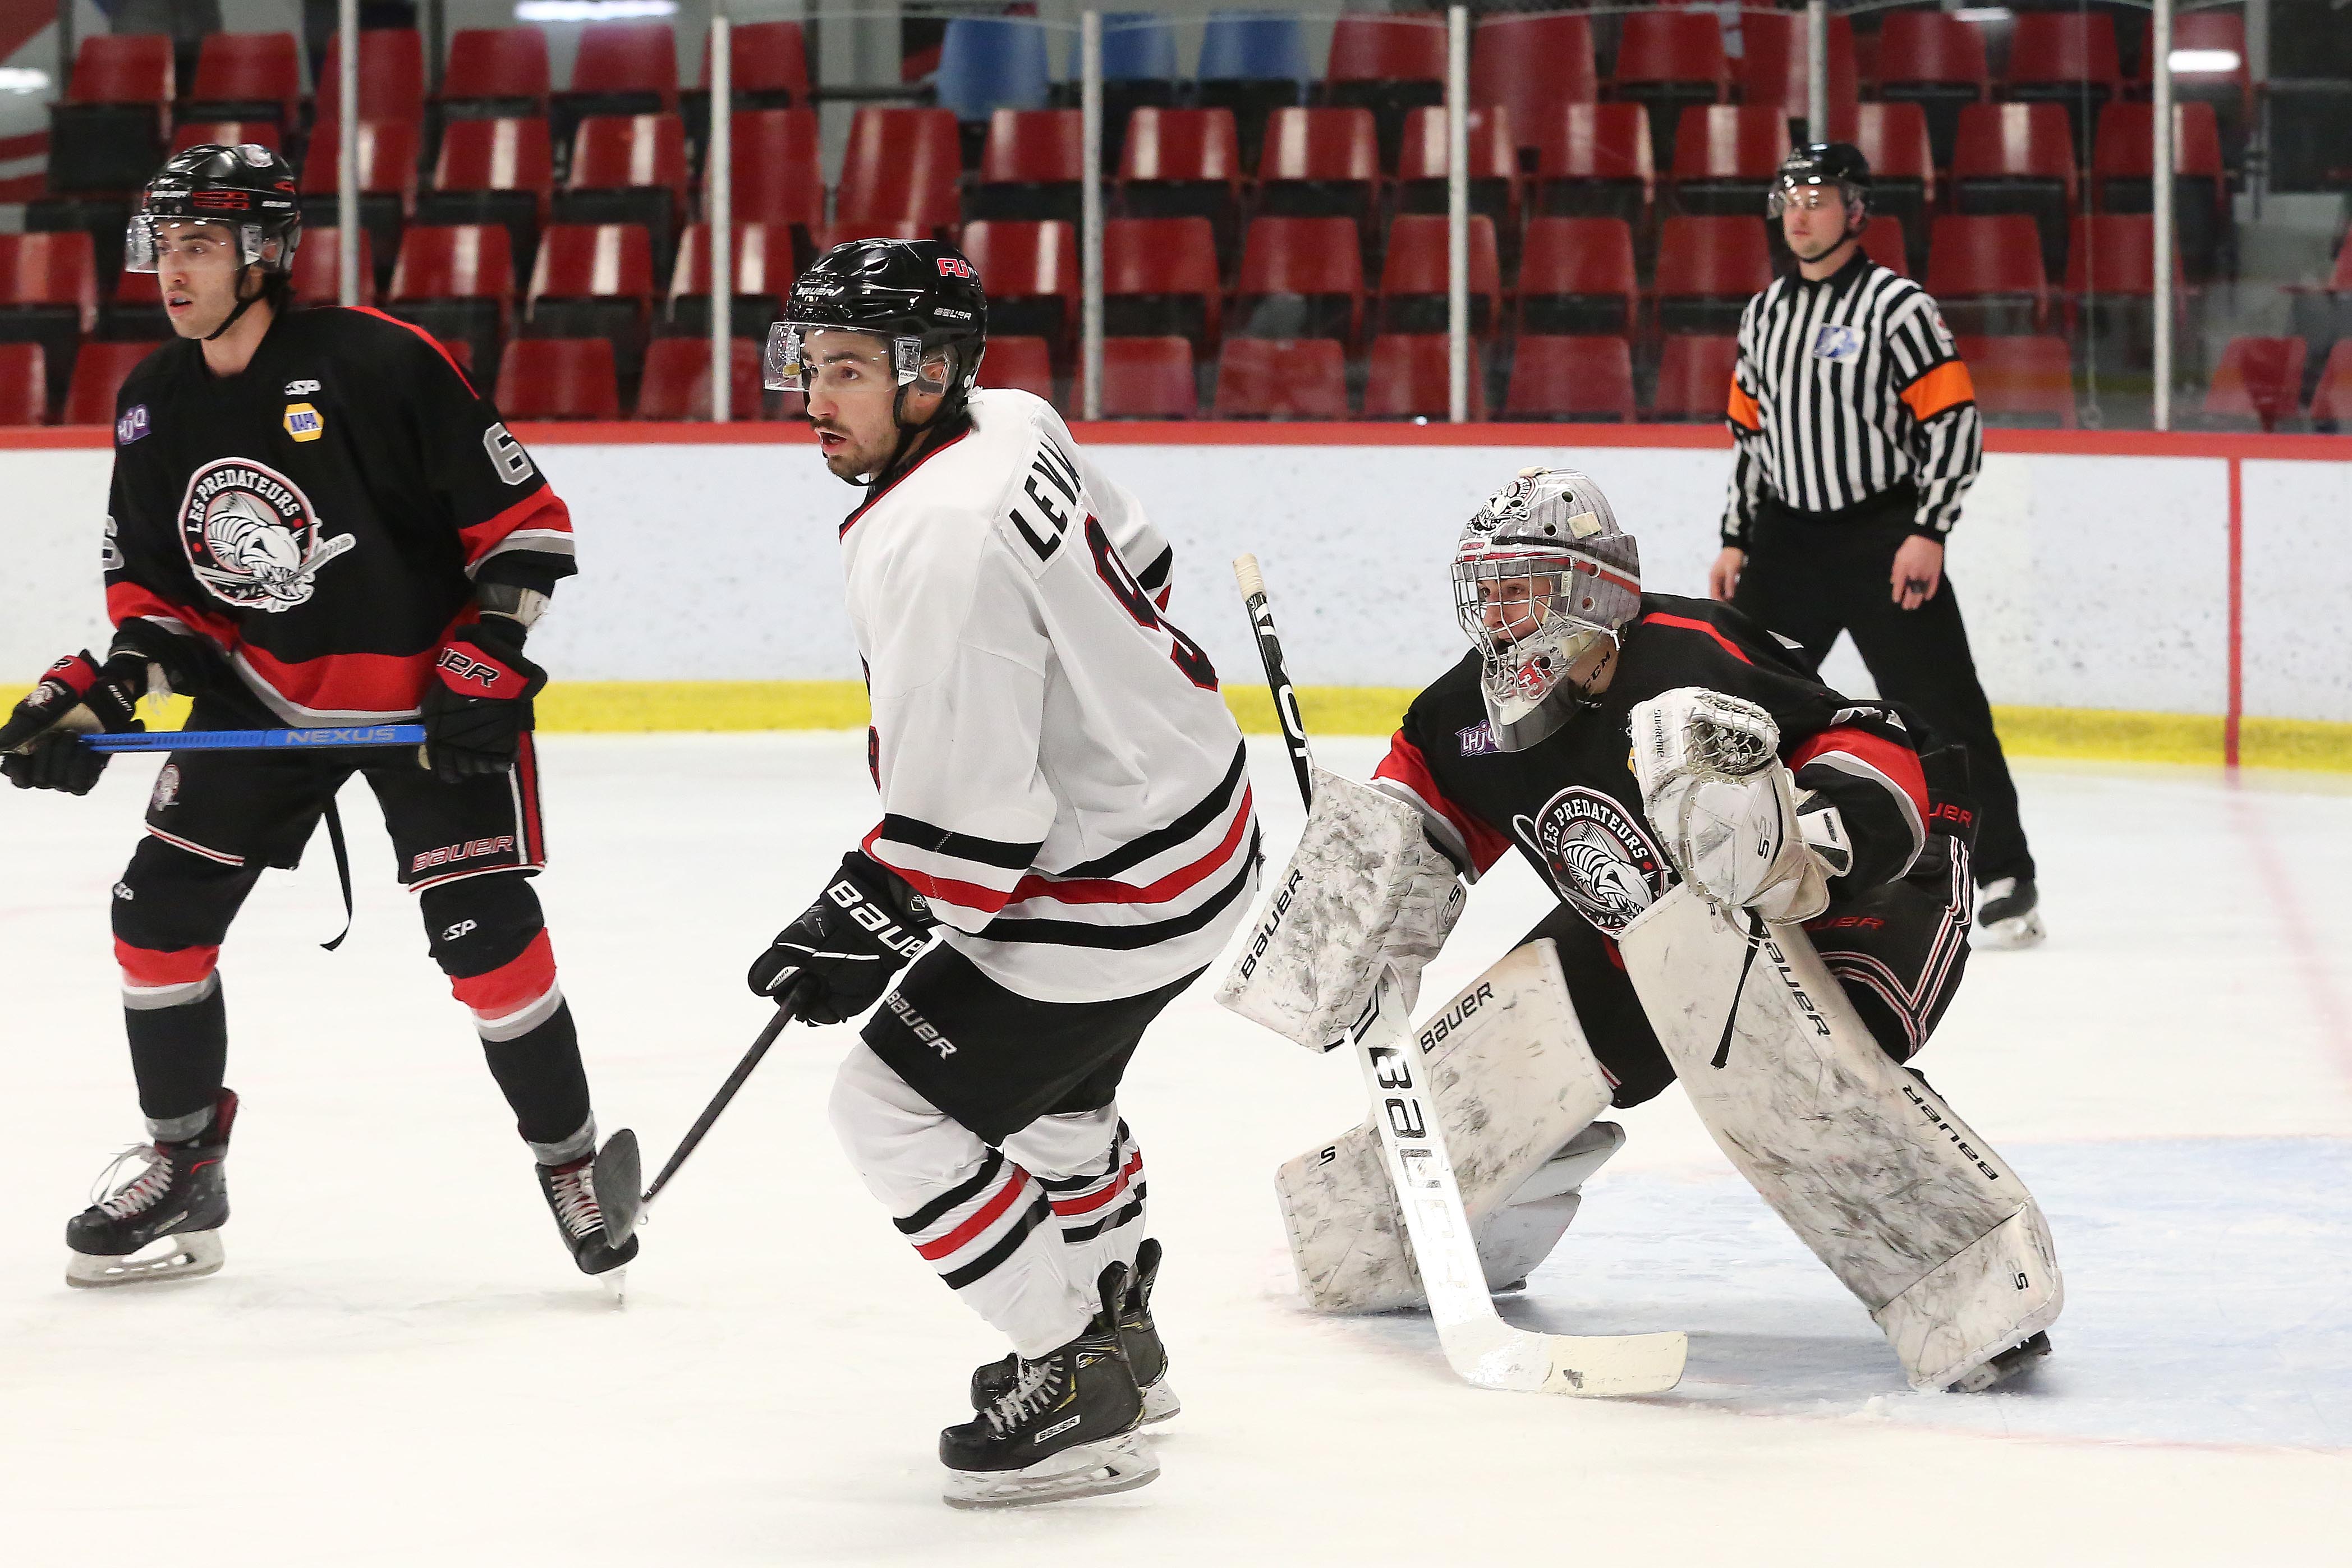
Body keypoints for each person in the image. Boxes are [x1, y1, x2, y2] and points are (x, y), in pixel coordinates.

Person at [0, 145, 636, 1289]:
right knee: (156, 912)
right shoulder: (153, 403)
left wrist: (489, 654)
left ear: (265, 254)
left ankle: (571, 1162)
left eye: (201, 245)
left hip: (425, 700)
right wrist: (91, 691)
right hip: (266, 691)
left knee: (485, 939)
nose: (172, 272)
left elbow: (525, 525)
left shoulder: (378, 360)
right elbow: (165, 611)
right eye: (166, 245)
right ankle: (186, 1160)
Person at [749, 237, 1257, 1508]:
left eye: (849, 369)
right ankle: (1124, 1331)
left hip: (1116, 890)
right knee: (1052, 1106)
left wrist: (859, 918)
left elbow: (972, 828)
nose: (816, 397)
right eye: (810, 363)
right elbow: (1139, 570)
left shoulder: (931, 537)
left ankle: (1076, 1379)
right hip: (1201, 826)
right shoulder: (1014, 415)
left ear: (926, 375)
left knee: (891, 1110)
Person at [1376, 467, 1974, 1115]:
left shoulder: (1694, 655)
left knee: (1811, 1079)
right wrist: (1362, 919)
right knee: (1489, 1088)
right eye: (1485, 594)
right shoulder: (1460, 715)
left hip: (1876, 867)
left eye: (1518, 591)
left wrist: (1802, 839)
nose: (1495, 620)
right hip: (1662, 918)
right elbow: (1400, 835)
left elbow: (1867, 743)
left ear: (1587, 589)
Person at [1708, 142, 2045, 948]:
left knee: (1943, 706)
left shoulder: (1899, 306)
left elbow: (1954, 422)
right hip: (1786, 541)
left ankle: (2006, 873)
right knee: (1743, 700)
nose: (1799, 212)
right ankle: (1749, 863)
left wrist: (1929, 528)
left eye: (1817, 197)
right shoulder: (1764, 314)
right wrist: (1734, 539)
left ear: (1855, 211)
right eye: (1787, 197)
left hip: (1882, 534)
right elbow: (1749, 439)